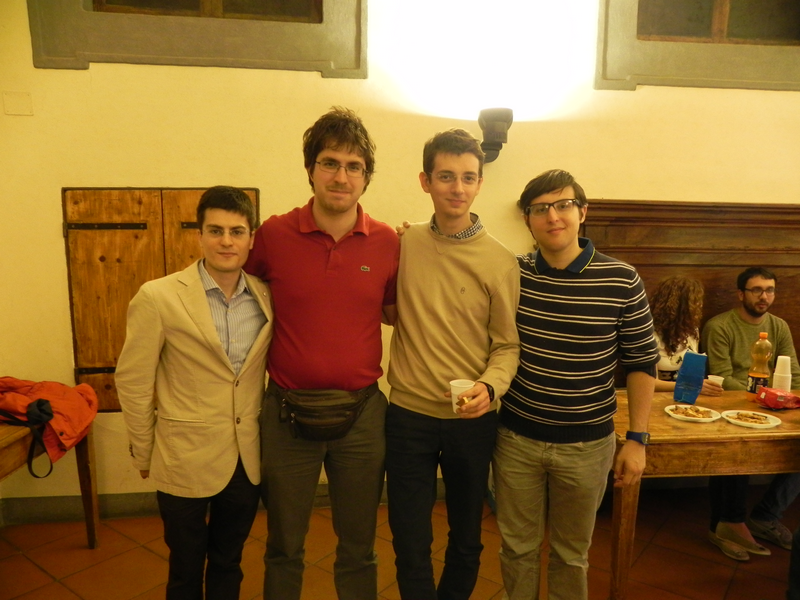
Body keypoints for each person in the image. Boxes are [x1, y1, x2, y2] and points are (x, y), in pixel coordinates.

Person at [243, 107, 400, 600]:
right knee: (284, 545)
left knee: (359, 546)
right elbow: (235, 300)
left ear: (366, 177)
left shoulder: (388, 242)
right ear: (310, 169)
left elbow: (399, 313)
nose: (341, 176)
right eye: (330, 163)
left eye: (354, 167)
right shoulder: (273, 236)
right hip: (286, 415)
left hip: (362, 417)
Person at [493, 169, 659, 600]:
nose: (553, 216)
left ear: (582, 212)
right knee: (517, 549)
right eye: (540, 209)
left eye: (564, 205)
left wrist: (637, 440)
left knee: (571, 555)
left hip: (587, 446)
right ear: (527, 219)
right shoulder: (512, 273)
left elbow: (642, 363)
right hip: (516, 439)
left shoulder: (621, 279)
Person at [116, 186, 273, 599]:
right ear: (199, 235)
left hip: (244, 456)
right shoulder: (159, 296)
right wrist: (143, 450)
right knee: (185, 568)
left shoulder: (265, 295)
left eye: (237, 231)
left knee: (228, 561)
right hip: (182, 456)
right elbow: (133, 380)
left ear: (251, 238)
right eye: (215, 230)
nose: (226, 241)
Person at [385, 128, 520, 600]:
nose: (457, 188)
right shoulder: (403, 243)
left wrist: (491, 387)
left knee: (466, 536)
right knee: (409, 538)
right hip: (408, 416)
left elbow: (507, 346)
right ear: (425, 181)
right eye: (445, 176)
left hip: (472, 419)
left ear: (480, 183)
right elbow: (382, 306)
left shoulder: (500, 261)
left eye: (467, 177)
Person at [701, 267, 800, 560]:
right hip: (732, 405)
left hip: (775, 404)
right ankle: (727, 524)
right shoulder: (720, 326)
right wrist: (764, 397)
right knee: (738, 444)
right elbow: (722, 376)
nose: (764, 296)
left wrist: (789, 399)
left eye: (769, 290)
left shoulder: (778, 326)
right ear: (741, 294)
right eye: (757, 290)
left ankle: (766, 515)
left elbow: (793, 372)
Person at [649, 275, 723, 395]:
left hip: (684, 396)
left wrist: (700, 385)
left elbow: (692, 375)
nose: (699, 307)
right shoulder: (650, 335)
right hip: (657, 398)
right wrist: (691, 386)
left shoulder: (691, 331)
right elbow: (649, 383)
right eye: (696, 303)